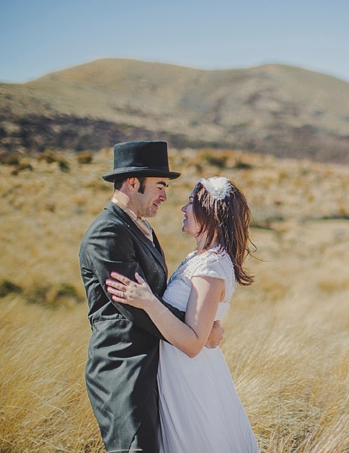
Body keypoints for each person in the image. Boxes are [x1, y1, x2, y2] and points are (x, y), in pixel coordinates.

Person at [79, 140, 225, 452]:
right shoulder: (108, 233)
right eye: (159, 185)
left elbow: (154, 297)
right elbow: (136, 307)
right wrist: (197, 330)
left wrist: (198, 327)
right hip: (124, 369)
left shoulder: (141, 227)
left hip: (155, 366)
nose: (165, 196)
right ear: (133, 183)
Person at [106, 176, 259, 452]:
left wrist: (148, 301)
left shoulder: (210, 267)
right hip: (180, 372)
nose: (182, 209)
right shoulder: (202, 258)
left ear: (210, 213)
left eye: (190, 203)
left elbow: (191, 343)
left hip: (190, 378)